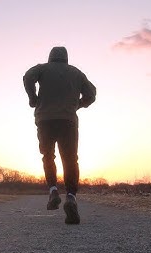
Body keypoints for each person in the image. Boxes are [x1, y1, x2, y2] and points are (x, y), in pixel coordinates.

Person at [23, 46, 96, 224]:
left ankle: (53, 190)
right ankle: (70, 196)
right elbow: (92, 94)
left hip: (45, 120)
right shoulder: (76, 73)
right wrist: (78, 105)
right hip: (68, 121)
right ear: (66, 58)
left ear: (50, 57)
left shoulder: (42, 68)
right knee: (70, 159)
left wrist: (33, 98)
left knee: (48, 156)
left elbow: (27, 77)